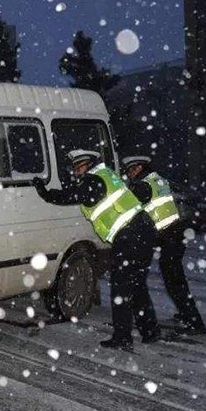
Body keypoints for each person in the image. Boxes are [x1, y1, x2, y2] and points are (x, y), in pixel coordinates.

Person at [32, 150, 159, 351]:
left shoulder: (94, 181)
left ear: (89, 165)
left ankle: (123, 338)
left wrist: (45, 193)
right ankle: (150, 331)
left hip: (130, 235)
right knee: (136, 285)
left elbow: (73, 195)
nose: (76, 171)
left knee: (121, 288)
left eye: (79, 166)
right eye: (75, 167)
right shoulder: (105, 176)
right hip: (143, 231)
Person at [122, 155, 206, 337]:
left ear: (139, 168)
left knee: (174, 279)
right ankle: (187, 315)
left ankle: (194, 323)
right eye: (129, 171)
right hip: (173, 233)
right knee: (174, 278)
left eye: (131, 170)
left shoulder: (144, 184)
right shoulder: (156, 179)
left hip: (170, 236)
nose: (130, 174)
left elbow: (133, 205)